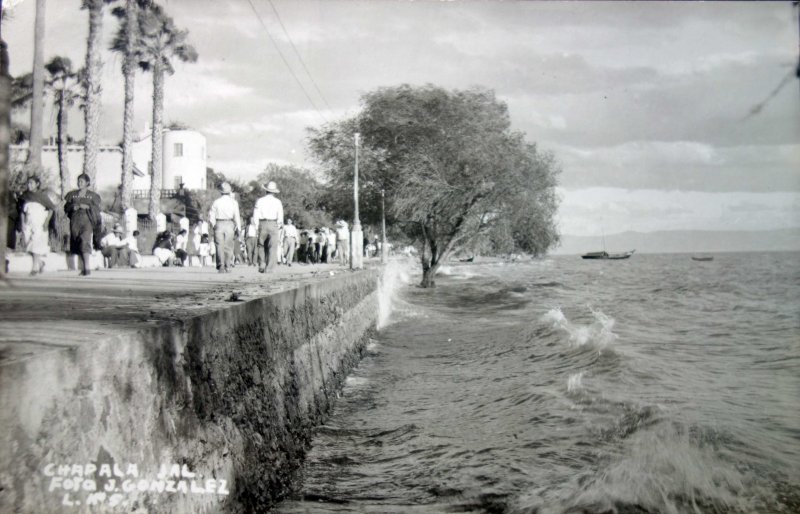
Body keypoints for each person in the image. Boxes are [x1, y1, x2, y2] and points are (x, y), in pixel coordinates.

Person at [64, 173, 102, 276]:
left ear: (87, 183)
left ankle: (87, 268)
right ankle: (83, 268)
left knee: (85, 241)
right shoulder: (72, 194)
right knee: (78, 242)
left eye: (81, 181)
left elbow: (98, 209)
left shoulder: (93, 196)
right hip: (75, 221)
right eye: (78, 181)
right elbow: (66, 208)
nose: (79, 183)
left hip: (87, 221)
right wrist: (72, 207)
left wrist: (88, 207)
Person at [19, 176, 55, 276]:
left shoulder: (42, 196)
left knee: (35, 244)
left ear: (37, 184)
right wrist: (22, 224)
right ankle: (40, 263)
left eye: (31, 183)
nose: (29, 185)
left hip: (39, 223)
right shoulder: (24, 196)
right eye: (28, 183)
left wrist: (46, 222)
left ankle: (34, 268)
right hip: (28, 223)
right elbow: (21, 211)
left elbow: (51, 209)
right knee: (28, 245)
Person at [208, 182, 241, 273]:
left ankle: (221, 265)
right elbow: (237, 216)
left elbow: (211, 215)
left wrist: (214, 224)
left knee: (219, 245)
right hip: (230, 223)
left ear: (221, 192)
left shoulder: (216, 202)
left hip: (219, 223)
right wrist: (238, 228)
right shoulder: (234, 202)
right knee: (229, 246)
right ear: (229, 192)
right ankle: (228, 265)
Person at [253, 180, 283, 273]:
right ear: (274, 192)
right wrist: (279, 225)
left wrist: (256, 226)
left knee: (261, 245)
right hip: (273, 224)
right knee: (272, 247)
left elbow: (255, 214)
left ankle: (262, 263)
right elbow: (280, 215)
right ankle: (269, 268)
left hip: (263, 223)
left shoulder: (260, 201)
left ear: (266, 190)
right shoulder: (278, 202)